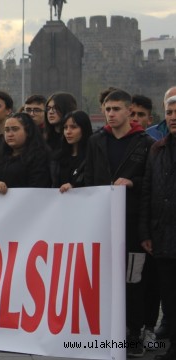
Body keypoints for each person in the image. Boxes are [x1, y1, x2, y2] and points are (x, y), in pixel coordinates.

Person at [84, 89, 154, 357]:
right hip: (104, 222)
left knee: (133, 280)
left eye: (116, 109)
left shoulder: (145, 143)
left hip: (133, 224)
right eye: (107, 109)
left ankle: (133, 333)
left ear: (128, 111)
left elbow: (150, 185)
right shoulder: (96, 141)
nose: (110, 114)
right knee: (104, 279)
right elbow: (90, 178)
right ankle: (108, 331)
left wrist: (132, 183)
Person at [140, 95, 176, 360]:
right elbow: (148, 192)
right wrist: (146, 233)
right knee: (170, 297)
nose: (173, 116)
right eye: (170, 112)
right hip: (163, 235)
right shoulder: (157, 149)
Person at [0, 113, 51, 193]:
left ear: (28, 131)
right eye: (7, 130)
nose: (10, 134)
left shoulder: (40, 157)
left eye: (15, 129)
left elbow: (38, 187)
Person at [51, 110, 93, 192]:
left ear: (84, 129)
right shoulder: (57, 158)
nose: (68, 132)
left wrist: (74, 186)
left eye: (73, 127)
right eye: (65, 127)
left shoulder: (92, 157)